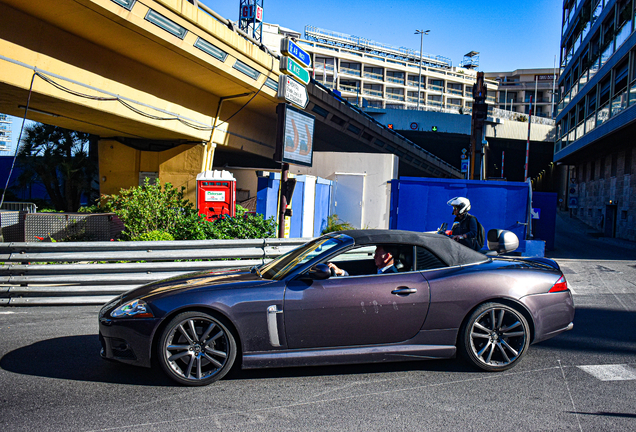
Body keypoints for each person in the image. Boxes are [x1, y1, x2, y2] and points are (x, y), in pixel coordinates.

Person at [327, 245, 398, 276]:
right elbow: (358, 276)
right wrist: (340, 272)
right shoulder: (374, 269)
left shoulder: (391, 276)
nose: (374, 256)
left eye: (377, 254)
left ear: (387, 257)